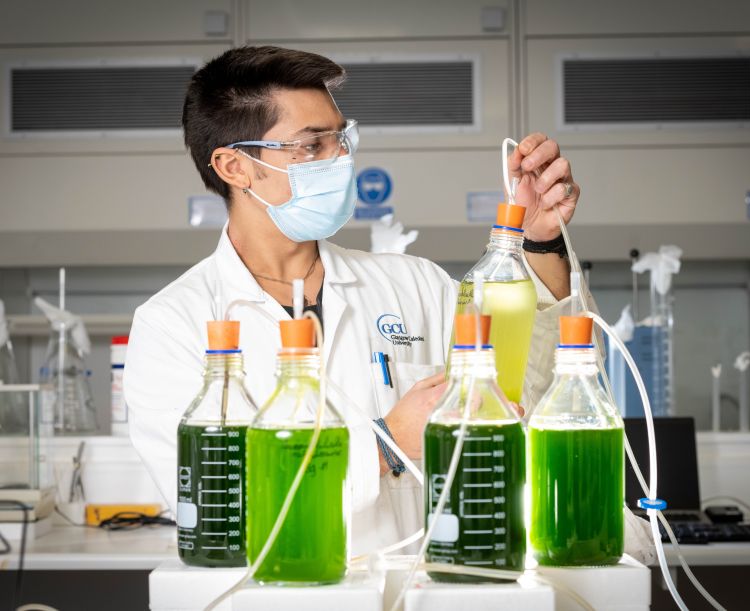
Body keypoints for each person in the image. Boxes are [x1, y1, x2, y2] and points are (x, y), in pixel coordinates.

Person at [124, 45, 580, 556]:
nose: (341, 159)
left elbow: (536, 395)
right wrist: (386, 444)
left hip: (419, 592)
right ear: (235, 166)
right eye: (311, 146)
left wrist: (539, 241)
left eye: (342, 139)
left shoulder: (414, 285)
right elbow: (215, 511)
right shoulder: (173, 325)